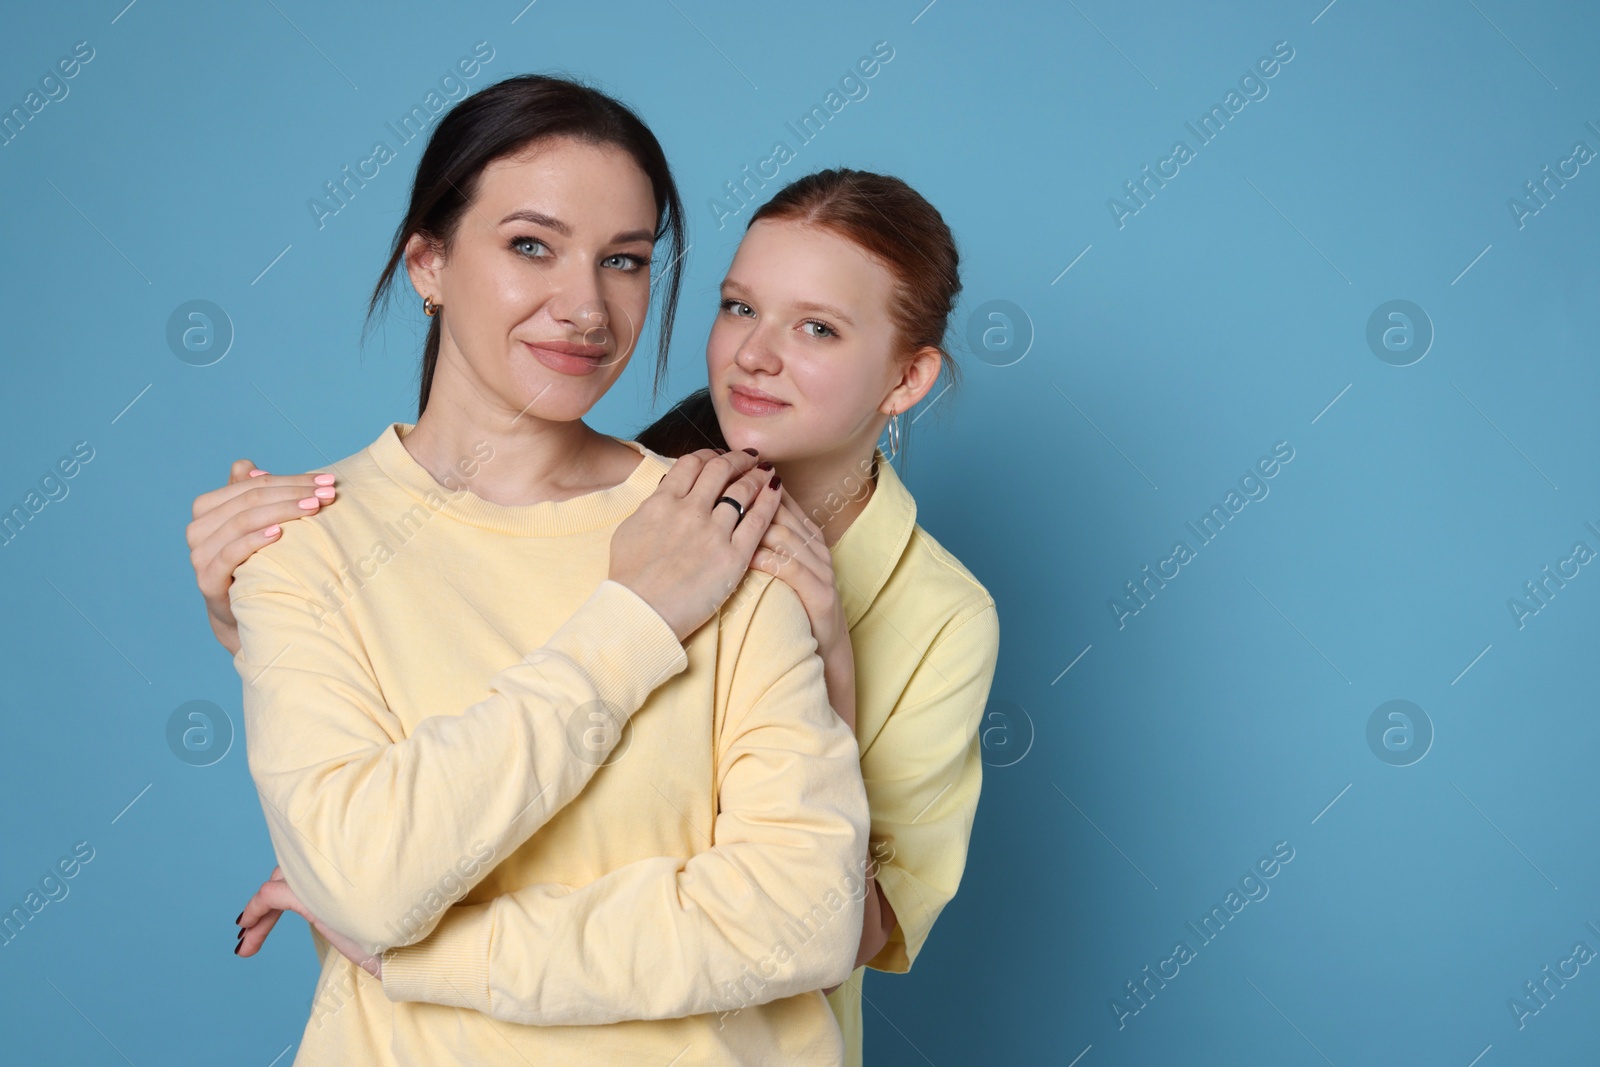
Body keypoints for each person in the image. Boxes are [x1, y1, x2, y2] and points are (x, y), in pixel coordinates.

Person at [195, 164, 999, 1066]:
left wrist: (831, 660)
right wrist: (256, 627)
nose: (755, 355)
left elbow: (832, 922)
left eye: (817, 327)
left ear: (907, 378)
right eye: (738, 308)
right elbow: (430, 719)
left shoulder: (941, 613)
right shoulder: (645, 510)